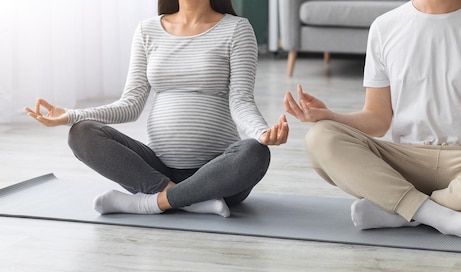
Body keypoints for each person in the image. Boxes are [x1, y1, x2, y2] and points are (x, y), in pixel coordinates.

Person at [284, 0, 461, 241]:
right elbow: (378, 118)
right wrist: (330, 117)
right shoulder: (385, 27)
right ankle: (445, 217)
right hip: (403, 162)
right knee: (321, 137)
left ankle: (402, 212)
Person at [25, 0, 288, 217]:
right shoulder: (147, 30)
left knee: (255, 152)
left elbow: (241, 100)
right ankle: (187, 199)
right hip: (155, 172)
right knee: (81, 133)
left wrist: (262, 132)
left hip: (217, 173)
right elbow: (130, 104)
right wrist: (72, 115)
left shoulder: (237, 29)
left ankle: (148, 204)